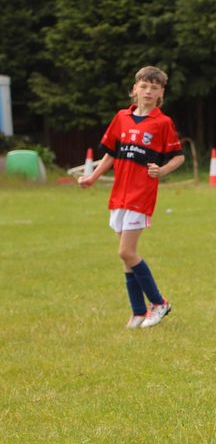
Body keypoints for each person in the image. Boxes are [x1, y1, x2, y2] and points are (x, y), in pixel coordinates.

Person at [78, 66, 184, 329]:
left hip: (141, 195)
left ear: (161, 94)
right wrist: (92, 177)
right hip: (119, 195)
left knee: (126, 251)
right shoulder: (121, 118)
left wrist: (162, 170)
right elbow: (111, 153)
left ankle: (159, 303)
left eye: (154, 88)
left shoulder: (162, 123)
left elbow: (178, 156)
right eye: (144, 86)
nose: (148, 92)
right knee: (127, 258)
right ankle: (137, 312)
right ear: (135, 88)